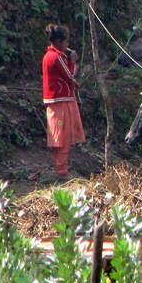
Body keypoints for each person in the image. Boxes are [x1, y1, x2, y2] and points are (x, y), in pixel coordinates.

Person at [42, 24, 85, 179]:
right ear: (59, 42)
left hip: (53, 101)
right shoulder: (58, 57)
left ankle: (59, 168)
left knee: (56, 137)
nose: (68, 45)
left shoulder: (48, 56)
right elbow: (69, 76)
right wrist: (73, 61)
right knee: (64, 137)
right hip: (62, 101)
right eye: (66, 42)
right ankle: (62, 171)